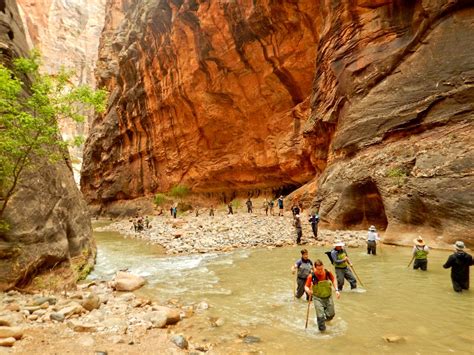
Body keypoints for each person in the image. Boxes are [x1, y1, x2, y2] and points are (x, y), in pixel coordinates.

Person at [305, 259, 340, 332]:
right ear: (315, 268)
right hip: (317, 298)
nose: (320, 271)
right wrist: (308, 291)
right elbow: (306, 287)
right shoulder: (311, 276)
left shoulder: (327, 272)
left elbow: (333, 280)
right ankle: (322, 332)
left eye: (321, 268)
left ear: (323, 266)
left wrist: (336, 290)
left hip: (328, 296)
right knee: (320, 318)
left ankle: (325, 320)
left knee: (331, 315)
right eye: (318, 269)